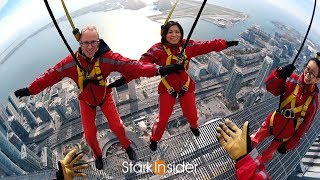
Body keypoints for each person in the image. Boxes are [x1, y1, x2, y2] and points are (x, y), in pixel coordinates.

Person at [14, 25, 184, 170]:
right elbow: (50, 76)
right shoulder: (71, 63)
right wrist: (30, 90)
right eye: (85, 43)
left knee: (118, 127)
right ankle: (98, 156)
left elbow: (132, 66)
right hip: (86, 101)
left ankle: (127, 146)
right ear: (80, 43)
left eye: (93, 42)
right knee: (89, 136)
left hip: (104, 96)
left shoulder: (107, 59)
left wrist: (159, 70)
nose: (89, 47)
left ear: (99, 42)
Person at [109, 21, 239, 151]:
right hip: (168, 86)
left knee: (192, 113)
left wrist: (225, 44)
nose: (174, 35)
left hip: (185, 84)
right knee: (162, 119)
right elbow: (141, 66)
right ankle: (154, 139)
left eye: (177, 32)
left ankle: (194, 126)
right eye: (170, 32)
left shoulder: (187, 46)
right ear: (164, 34)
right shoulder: (157, 50)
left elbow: (206, 46)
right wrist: (126, 79)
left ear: (181, 33)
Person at [250, 54, 320, 163]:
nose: (308, 74)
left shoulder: (314, 101)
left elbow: (304, 128)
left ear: (318, 79)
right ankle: (240, 158)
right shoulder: (292, 80)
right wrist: (279, 73)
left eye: (312, 74)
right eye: (307, 69)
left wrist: (289, 146)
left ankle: (252, 169)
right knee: (252, 141)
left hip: (285, 134)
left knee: (265, 156)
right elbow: (271, 88)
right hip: (273, 122)